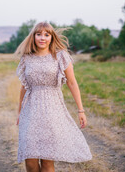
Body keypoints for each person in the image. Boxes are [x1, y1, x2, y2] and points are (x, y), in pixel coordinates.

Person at [14, 22, 92, 172]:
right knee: (29, 159)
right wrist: (19, 112)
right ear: (33, 36)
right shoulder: (26, 58)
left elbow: (72, 82)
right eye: (38, 34)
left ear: (51, 37)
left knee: (47, 161)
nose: (42, 38)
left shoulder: (60, 55)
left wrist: (81, 110)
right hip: (30, 110)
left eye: (46, 34)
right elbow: (24, 86)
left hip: (52, 111)